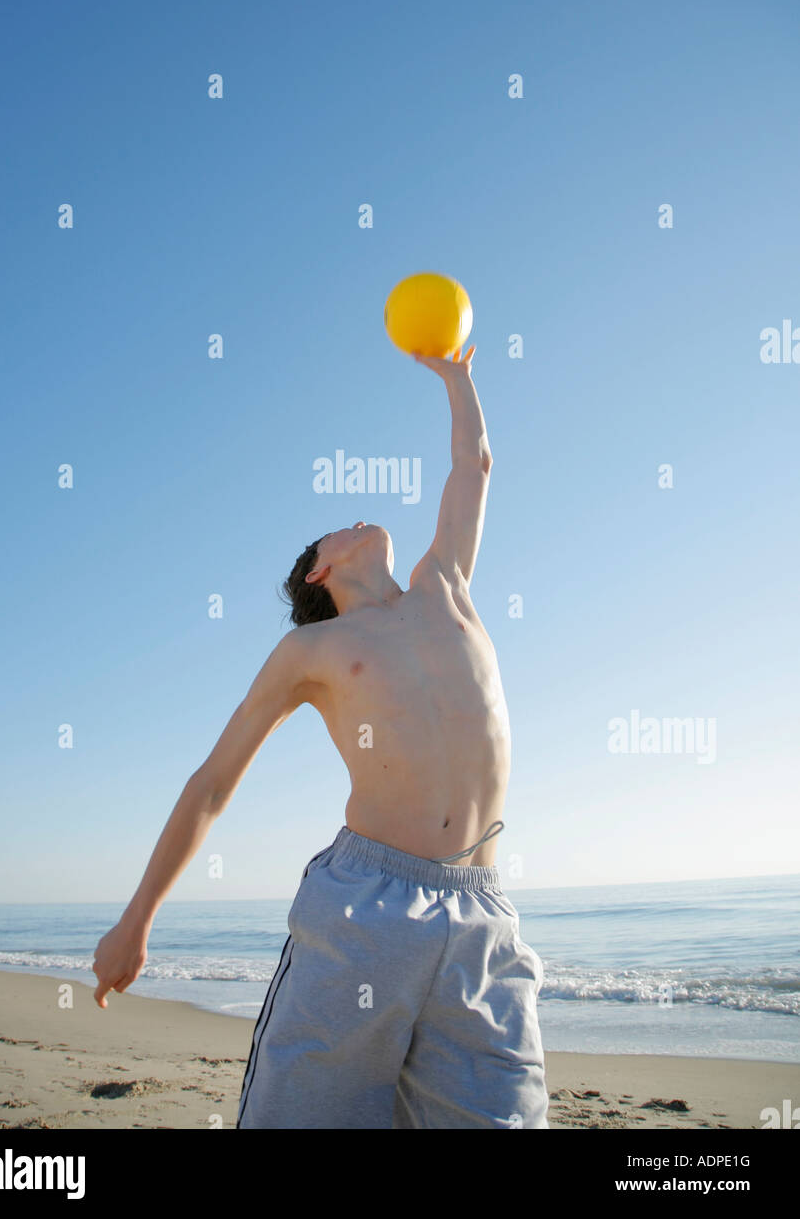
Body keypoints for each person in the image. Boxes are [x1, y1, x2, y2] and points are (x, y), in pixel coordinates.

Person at [92, 344, 549, 1130]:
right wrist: (138, 918)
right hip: (365, 908)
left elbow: (474, 465)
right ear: (320, 572)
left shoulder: (445, 586)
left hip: (483, 917)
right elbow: (212, 782)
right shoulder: (311, 651)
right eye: (342, 526)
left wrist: (457, 376)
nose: (364, 518)